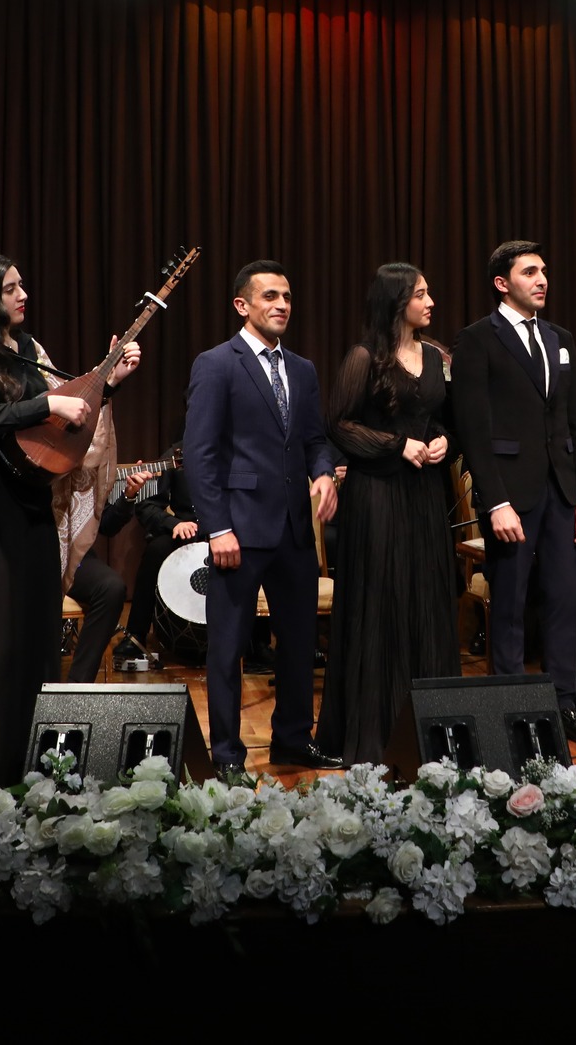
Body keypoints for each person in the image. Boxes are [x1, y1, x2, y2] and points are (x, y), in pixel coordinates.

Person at [0, 252, 139, 793]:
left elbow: (54, 432)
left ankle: (39, 775)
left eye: (22, 285)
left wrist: (108, 385)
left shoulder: (24, 350)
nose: (23, 295)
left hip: (30, 504)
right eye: (10, 288)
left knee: (36, 637)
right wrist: (47, 405)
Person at [449, 240, 576, 749]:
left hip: (563, 491)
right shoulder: (477, 339)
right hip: (510, 495)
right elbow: (473, 429)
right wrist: (494, 502)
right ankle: (512, 712)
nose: (542, 279)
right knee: (510, 605)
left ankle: (564, 706)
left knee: (565, 601)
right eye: (529, 272)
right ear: (502, 283)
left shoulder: (560, 338)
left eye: (544, 271)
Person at [185, 259, 341, 773]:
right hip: (239, 530)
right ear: (242, 305)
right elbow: (200, 454)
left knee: (298, 646)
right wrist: (218, 528)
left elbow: (315, 440)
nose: (282, 305)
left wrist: (323, 472)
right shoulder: (216, 364)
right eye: (270, 296)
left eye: (287, 297)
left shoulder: (303, 368)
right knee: (227, 649)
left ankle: (293, 740)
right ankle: (227, 756)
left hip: (295, 531)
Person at [316, 263, 462, 763]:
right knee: (382, 602)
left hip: (425, 495)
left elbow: (445, 420)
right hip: (378, 495)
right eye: (421, 294)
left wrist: (443, 441)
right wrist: (398, 445)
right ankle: (375, 732)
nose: (431, 302)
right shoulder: (364, 357)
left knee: (427, 601)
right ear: (396, 302)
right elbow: (339, 424)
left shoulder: (435, 356)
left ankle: (430, 732)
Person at [102, 442, 195, 670]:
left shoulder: (239, 450)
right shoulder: (178, 453)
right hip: (185, 529)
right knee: (156, 549)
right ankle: (136, 635)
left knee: (255, 552)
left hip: (228, 532)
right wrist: (173, 523)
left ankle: (257, 645)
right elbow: (147, 505)